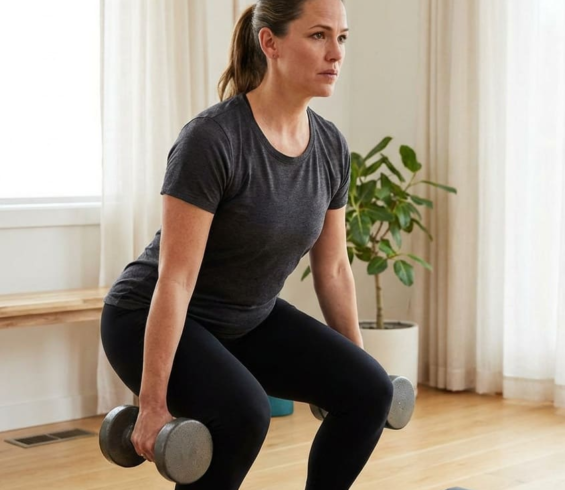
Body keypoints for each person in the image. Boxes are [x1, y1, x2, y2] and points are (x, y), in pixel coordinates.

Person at [100, 0, 392, 488]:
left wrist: (354, 364)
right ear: (270, 43)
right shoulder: (213, 139)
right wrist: (152, 404)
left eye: (342, 38)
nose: (335, 53)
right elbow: (176, 278)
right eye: (318, 36)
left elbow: (335, 269)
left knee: (369, 390)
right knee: (243, 414)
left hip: (245, 317)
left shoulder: (331, 147)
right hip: (147, 315)